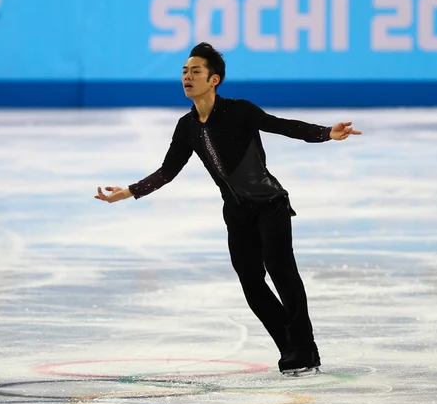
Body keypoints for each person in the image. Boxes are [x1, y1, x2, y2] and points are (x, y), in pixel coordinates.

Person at [94, 43, 362, 376]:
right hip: (236, 213)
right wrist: (129, 192)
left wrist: (325, 133)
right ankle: (293, 348)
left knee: (282, 273)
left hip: (270, 206)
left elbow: (282, 125)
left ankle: (303, 349)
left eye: (195, 72)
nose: (187, 77)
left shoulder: (240, 111)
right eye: (184, 71)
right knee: (252, 283)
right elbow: (168, 170)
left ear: (214, 79)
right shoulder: (187, 126)